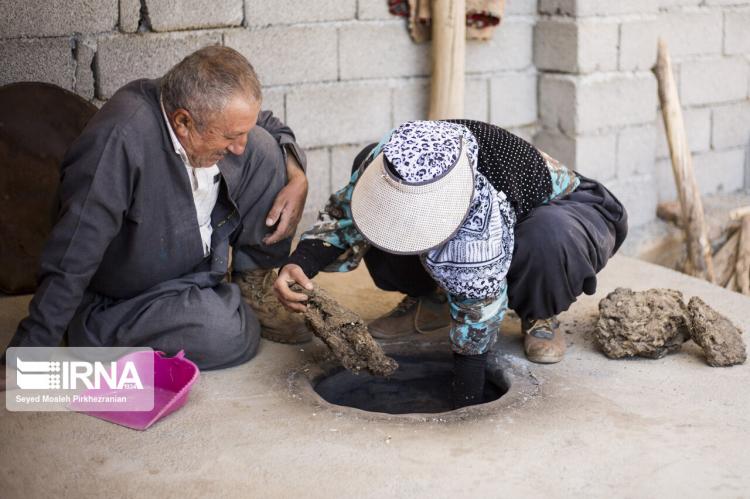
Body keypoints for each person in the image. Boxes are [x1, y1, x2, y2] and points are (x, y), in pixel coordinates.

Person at [274, 119, 628, 408]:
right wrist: (300, 263)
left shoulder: (479, 213)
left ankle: (539, 310)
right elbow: (346, 213)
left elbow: (479, 309)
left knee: (548, 238)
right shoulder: (392, 158)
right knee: (386, 225)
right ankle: (433, 297)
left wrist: (466, 398)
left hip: (562, 212)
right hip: (463, 205)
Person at [2, 46, 312, 372]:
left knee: (266, 147)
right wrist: (29, 354)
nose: (239, 146)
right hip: (127, 295)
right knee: (224, 332)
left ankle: (250, 292)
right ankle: (105, 329)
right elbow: (72, 255)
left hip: (186, 264)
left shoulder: (196, 103)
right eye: (231, 137)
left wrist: (296, 174)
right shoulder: (117, 143)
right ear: (183, 122)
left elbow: (265, 123)